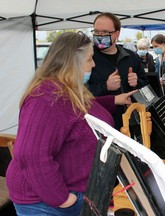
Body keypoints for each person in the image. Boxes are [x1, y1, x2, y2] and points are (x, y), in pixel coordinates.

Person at [5, 32, 136, 216]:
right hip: (47, 203)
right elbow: (30, 154)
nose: (93, 64)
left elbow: (81, 110)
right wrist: (62, 199)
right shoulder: (47, 97)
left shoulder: (65, 90)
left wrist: (114, 101)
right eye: (89, 59)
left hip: (65, 196)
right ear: (73, 62)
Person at [88, 12, 149, 130]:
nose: (100, 36)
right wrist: (105, 86)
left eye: (105, 32)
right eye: (96, 31)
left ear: (117, 34)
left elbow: (147, 91)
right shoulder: (87, 58)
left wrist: (137, 83)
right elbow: (77, 95)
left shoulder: (131, 57)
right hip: (100, 126)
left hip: (130, 125)